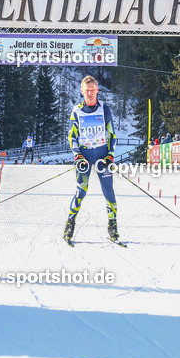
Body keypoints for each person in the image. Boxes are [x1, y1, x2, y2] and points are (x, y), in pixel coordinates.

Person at [64, 75, 119, 244]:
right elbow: (72, 136)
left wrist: (110, 155)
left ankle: (112, 226)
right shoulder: (76, 110)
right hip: (85, 155)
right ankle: (69, 225)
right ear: (82, 91)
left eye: (92, 90)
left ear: (97, 90)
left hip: (102, 154)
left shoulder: (105, 109)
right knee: (81, 191)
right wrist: (77, 155)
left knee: (108, 191)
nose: (89, 93)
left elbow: (111, 134)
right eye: (87, 90)